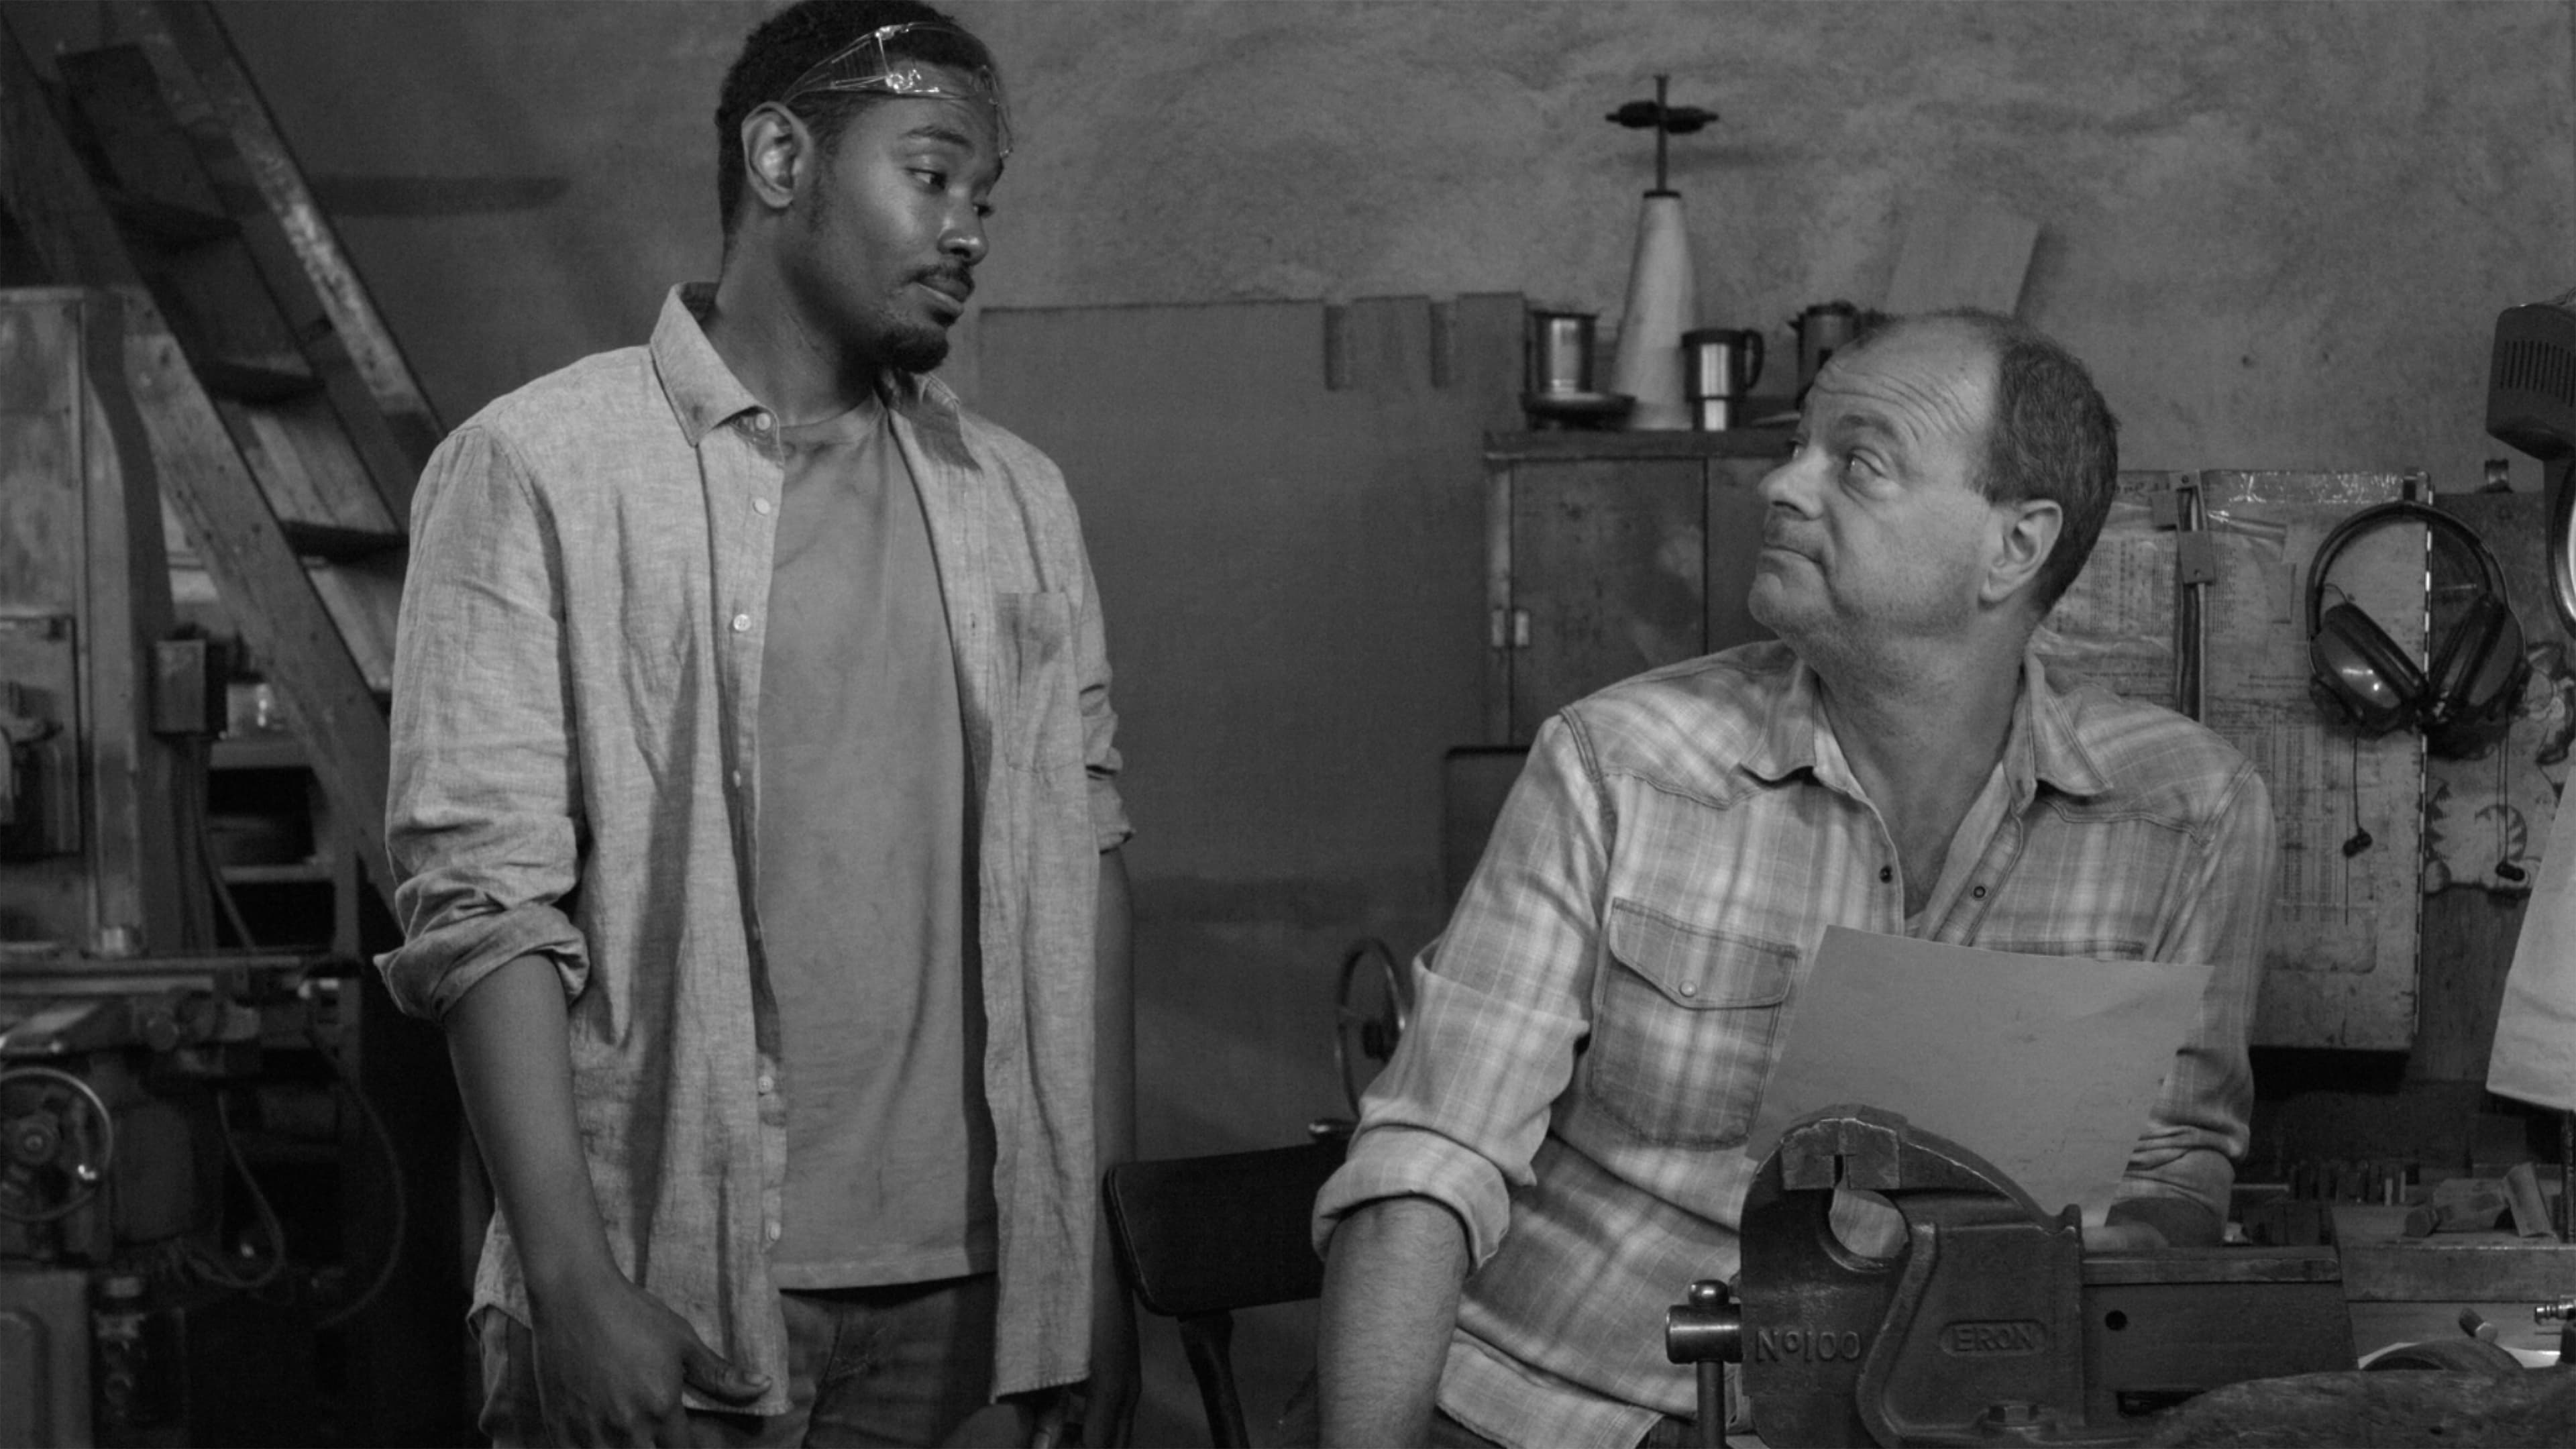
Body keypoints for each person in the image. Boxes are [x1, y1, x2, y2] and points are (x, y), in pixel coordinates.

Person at [1312, 311, 2275, 1449]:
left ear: (2015, 547)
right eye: (1797, 446)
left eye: (1858, 462)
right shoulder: (1620, 765)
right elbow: (1429, 1163)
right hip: (1558, 1411)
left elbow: (2173, 1162)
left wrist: (2103, 1268)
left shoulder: (2186, 815)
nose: (1781, 484)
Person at [376, 3, 1136, 1444]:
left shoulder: (1018, 502)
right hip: (669, 1284)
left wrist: (1092, 1264)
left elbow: (1086, 863)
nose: (968, 229)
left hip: (973, 1306)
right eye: (931, 173)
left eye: (984, 196)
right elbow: (482, 906)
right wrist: (569, 1283)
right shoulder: (542, 467)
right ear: (783, 159)